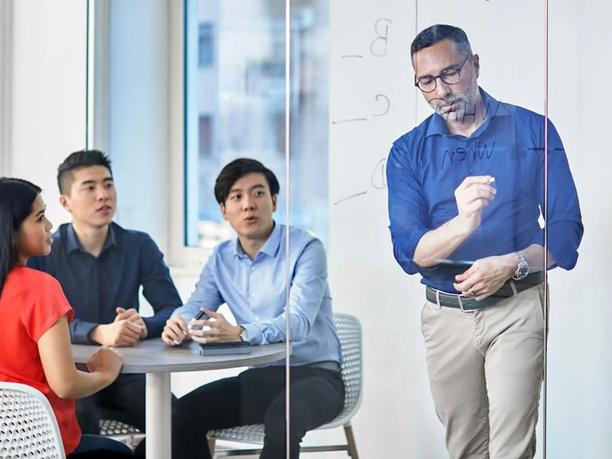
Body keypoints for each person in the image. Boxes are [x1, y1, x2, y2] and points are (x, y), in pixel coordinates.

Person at [386, 25, 583, 458]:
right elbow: (408, 252)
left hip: (517, 304)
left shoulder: (533, 131)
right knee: (466, 449)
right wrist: (464, 222)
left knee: (511, 448)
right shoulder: (408, 151)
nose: (441, 90)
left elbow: (566, 230)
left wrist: (511, 263)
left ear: (474, 65)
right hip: (445, 315)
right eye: (427, 81)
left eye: (451, 73)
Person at [159, 158, 344, 459]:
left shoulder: (306, 249)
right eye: (237, 197)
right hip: (262, 379)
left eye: (258, 193)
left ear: (273, 200)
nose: (248, 204)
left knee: (282, 420)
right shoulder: (220, 258)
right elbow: (196, 304)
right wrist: (179, 322)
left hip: (316, 376)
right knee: (181, 415)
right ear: (223, 210)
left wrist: (241, 332)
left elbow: (297, 322)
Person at [29, 150, 182, 438]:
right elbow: (39, 323)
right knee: (81, 419)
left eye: (108, 184)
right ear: (66, 202)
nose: (103, 195)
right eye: (90, 187)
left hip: (125, 372)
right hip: (67, 373)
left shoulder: (139, 245)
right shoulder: (45, 252)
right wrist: (97, 332)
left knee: (177, 420)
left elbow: (173, 309)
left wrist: (139, 326)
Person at [0, 177, 134, 458]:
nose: (49, 225)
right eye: (39, 218)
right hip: (48, 444)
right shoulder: (39, 287)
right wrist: (105, 373)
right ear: (10, 232)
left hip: (7, 446)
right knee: (120, 453)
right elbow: (66, 384)